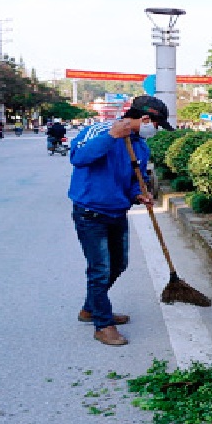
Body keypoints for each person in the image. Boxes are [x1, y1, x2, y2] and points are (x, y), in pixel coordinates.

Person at [68, 95, 174, 346]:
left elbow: (130, 180)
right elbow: (78, 158)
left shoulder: (139, 145)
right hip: (90, 212)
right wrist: (111, 136)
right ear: (146, 119)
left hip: (117, 211)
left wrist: (138, 194)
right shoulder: (100, 130)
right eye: (157, 125)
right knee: (100, 269)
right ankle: (102, 324)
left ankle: (91, 308)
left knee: (118, 265)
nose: (155, 131)